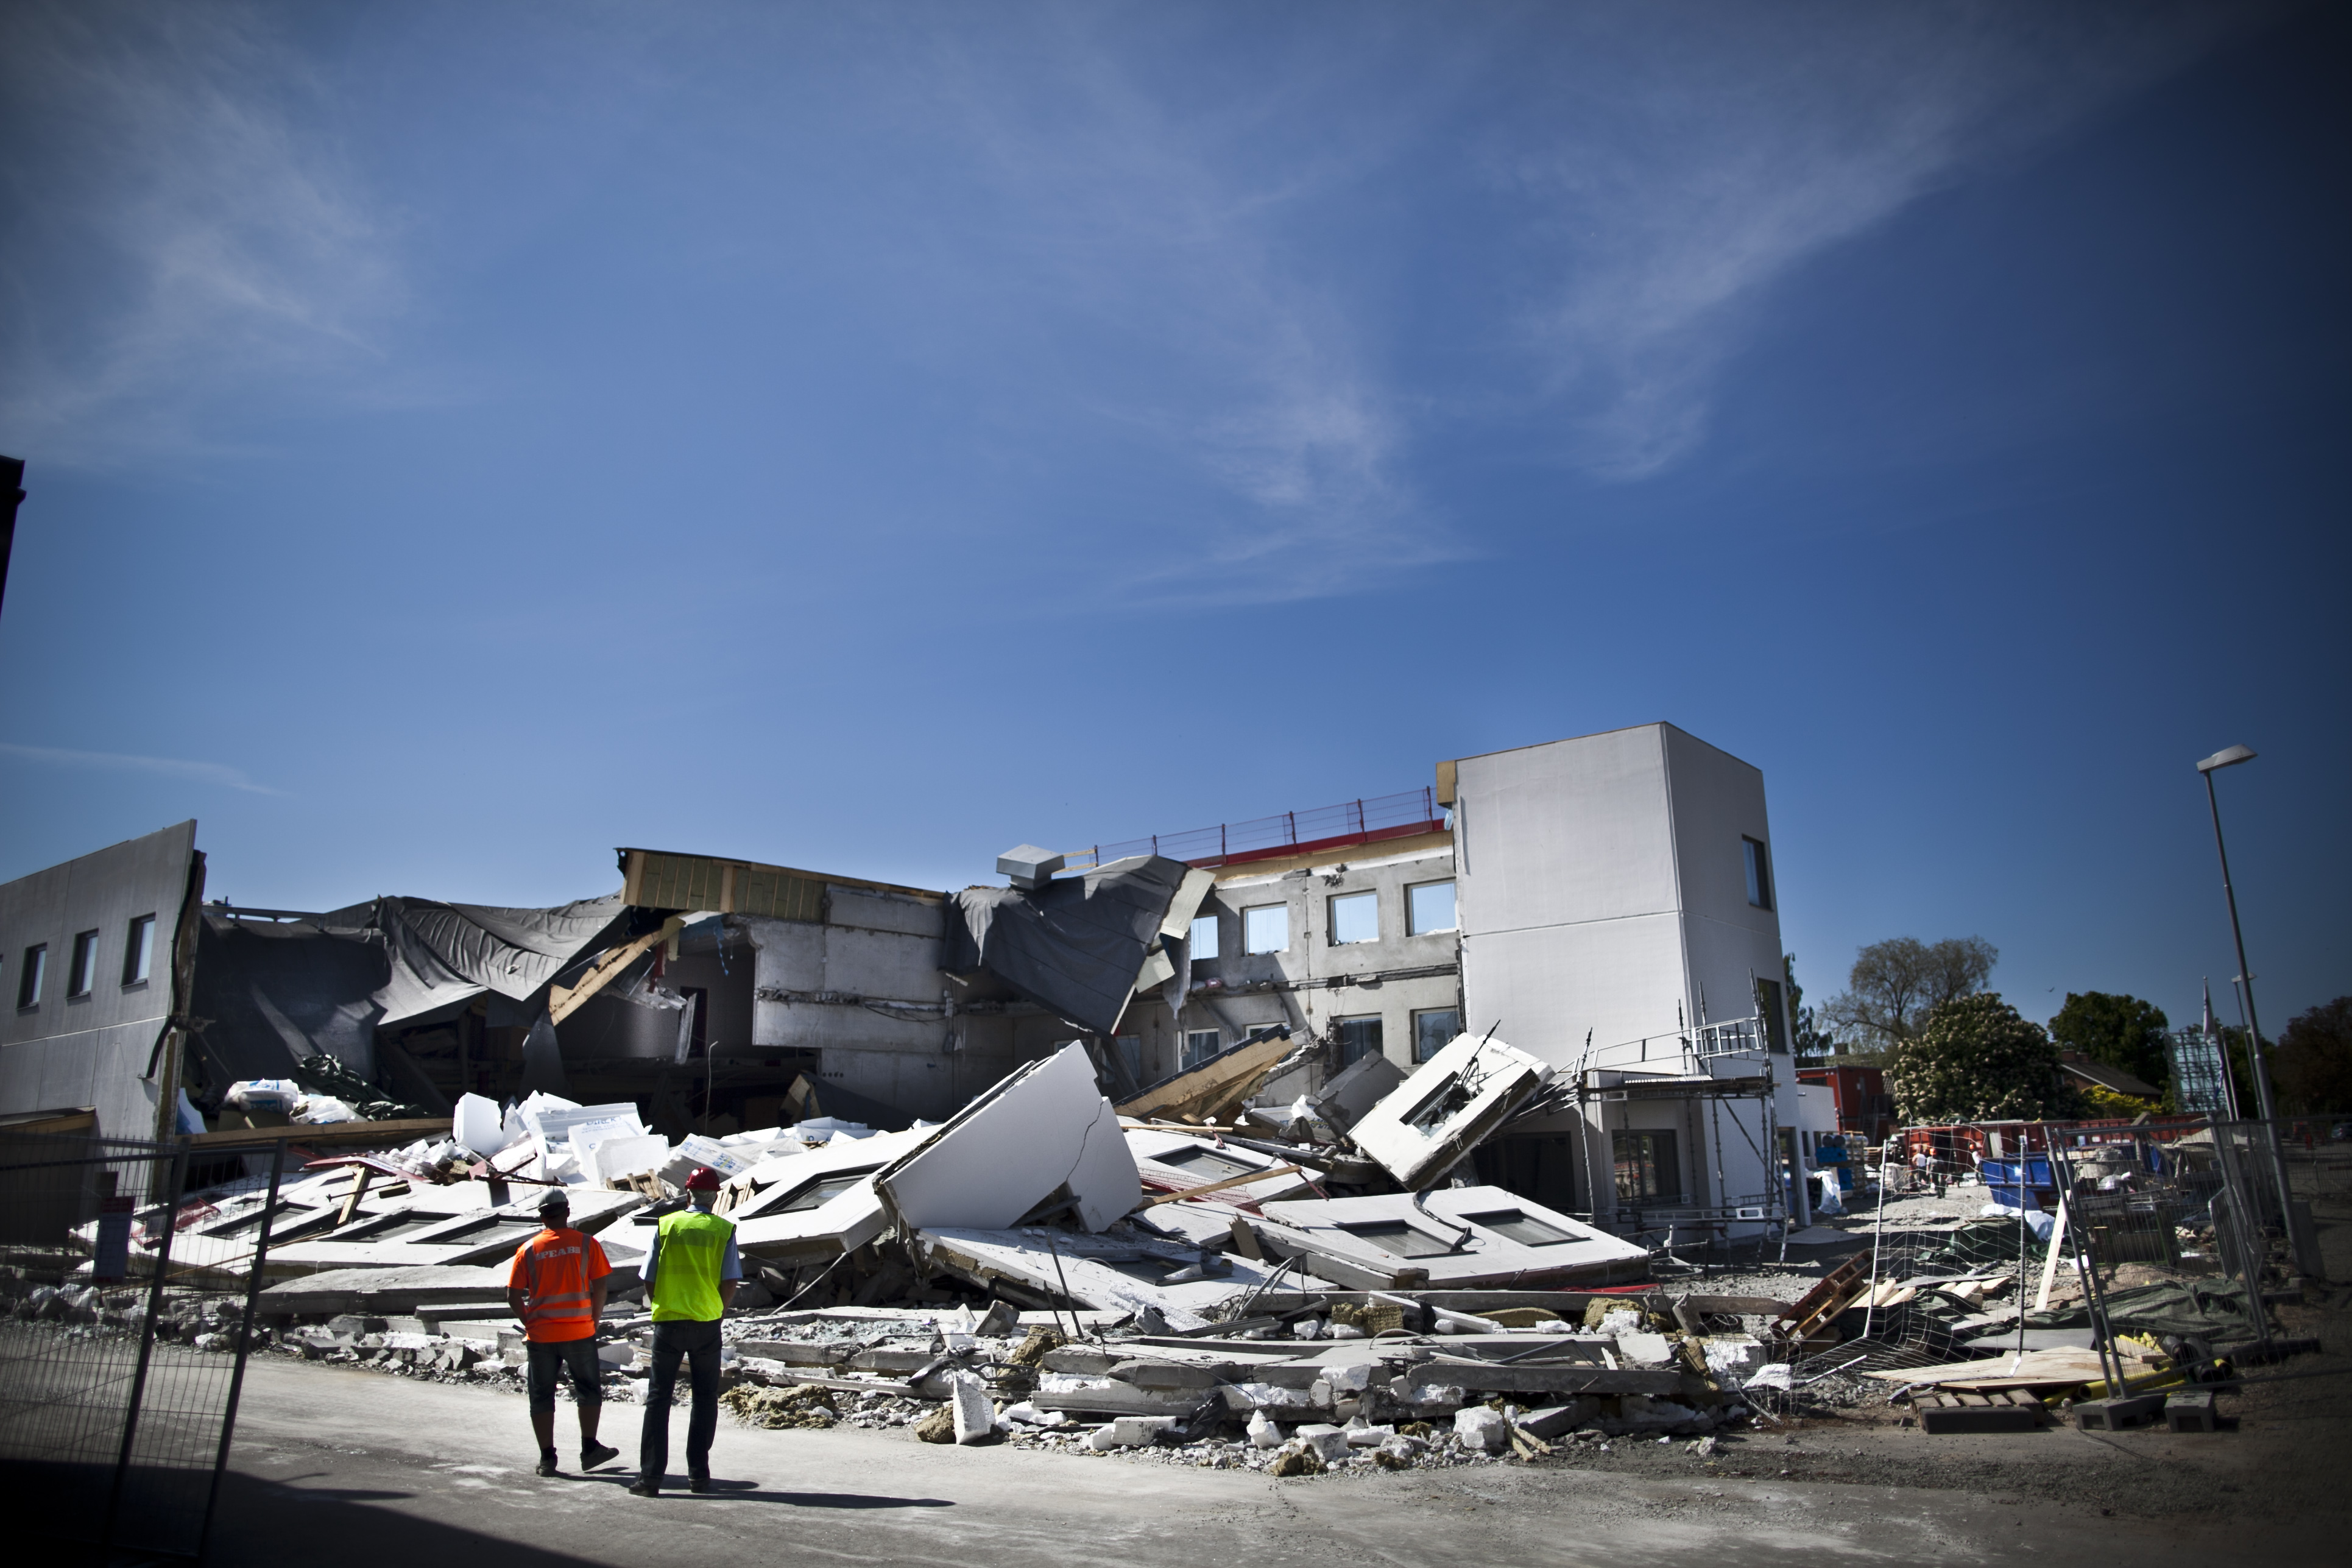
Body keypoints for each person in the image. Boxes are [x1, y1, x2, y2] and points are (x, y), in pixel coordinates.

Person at [628, 1165, 742, 1497]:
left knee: (659, 1398)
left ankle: (650, 1478)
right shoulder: (723, 1230)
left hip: (670, 1320)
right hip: (707, 1323)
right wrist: (717, 1310)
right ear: (716, 1196)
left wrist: (659, 1303)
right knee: (705, 1398)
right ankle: (699, 1475)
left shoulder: (666, 1225)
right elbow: (731, 1279)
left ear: (688, 1193)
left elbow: (648, 1275)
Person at [507, 1190, 621, 1478]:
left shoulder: (529, 1249)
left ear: (542, 1216)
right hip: (579, 1331)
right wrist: (594, 1319)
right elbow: (601, 1287)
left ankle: (547, 1459)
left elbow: (512, 1295)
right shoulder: (586, 1244)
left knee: (542, 1395)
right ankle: (589, 1448)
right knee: (588, 1389)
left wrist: (529, 1322)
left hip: (542, 1335)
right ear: (567, 1212)